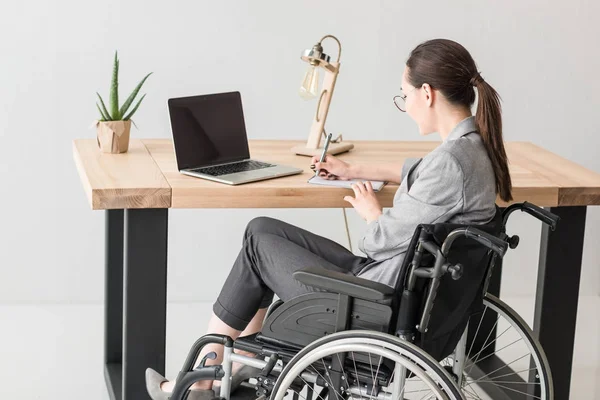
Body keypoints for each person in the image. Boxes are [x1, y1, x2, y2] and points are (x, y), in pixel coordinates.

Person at [146, 38, 513, 400]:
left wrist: (373, 213)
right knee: (260, 229)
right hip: (393, 287)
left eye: (405, 95)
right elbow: (419, 171)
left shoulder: (451, 164)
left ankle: (200, 384)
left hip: (374, 305)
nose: (407, 105)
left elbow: (377, 240)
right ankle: (236, 366)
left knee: (257, 248)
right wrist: (352, 168)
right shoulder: (472, 151)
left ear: (428, 93)